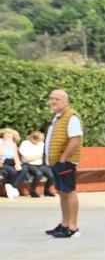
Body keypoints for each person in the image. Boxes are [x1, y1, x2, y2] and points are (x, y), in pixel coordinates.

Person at [43, 89, 83, 236]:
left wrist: (63, 158)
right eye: (51, 98)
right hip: (57, 162)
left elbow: (76, 138)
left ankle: (73, 228)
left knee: (69, 192)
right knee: (62, 192)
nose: (53, 101)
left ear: (66, 101)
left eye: (57, 99)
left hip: (65, 162)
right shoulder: (57, 117)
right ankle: (64, 224)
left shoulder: (71, 117)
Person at [18, 130, 55, 198]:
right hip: (29, 164)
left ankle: (47, 191)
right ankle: (33, 191)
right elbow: (25, 159)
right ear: (34, 138)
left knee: (51, 175)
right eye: (39, 139)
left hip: (40, 164)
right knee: (38, 173)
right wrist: (39, 156)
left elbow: (45, 155)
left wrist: (36, 157)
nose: (40, 141)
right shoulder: (25, 143)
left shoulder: (41, 143)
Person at [1, 128, 20, 197]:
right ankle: (10, 187)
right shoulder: (1, 142)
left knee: (22, 169)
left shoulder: (13, 143)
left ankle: (12, 187)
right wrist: (5, 144)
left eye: (10, 136)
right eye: (7, 135)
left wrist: (18, 164)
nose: (9, 137)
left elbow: (15, 155)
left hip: (11, 162)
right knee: (12, 171)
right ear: (3, 135)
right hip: (3, 162)